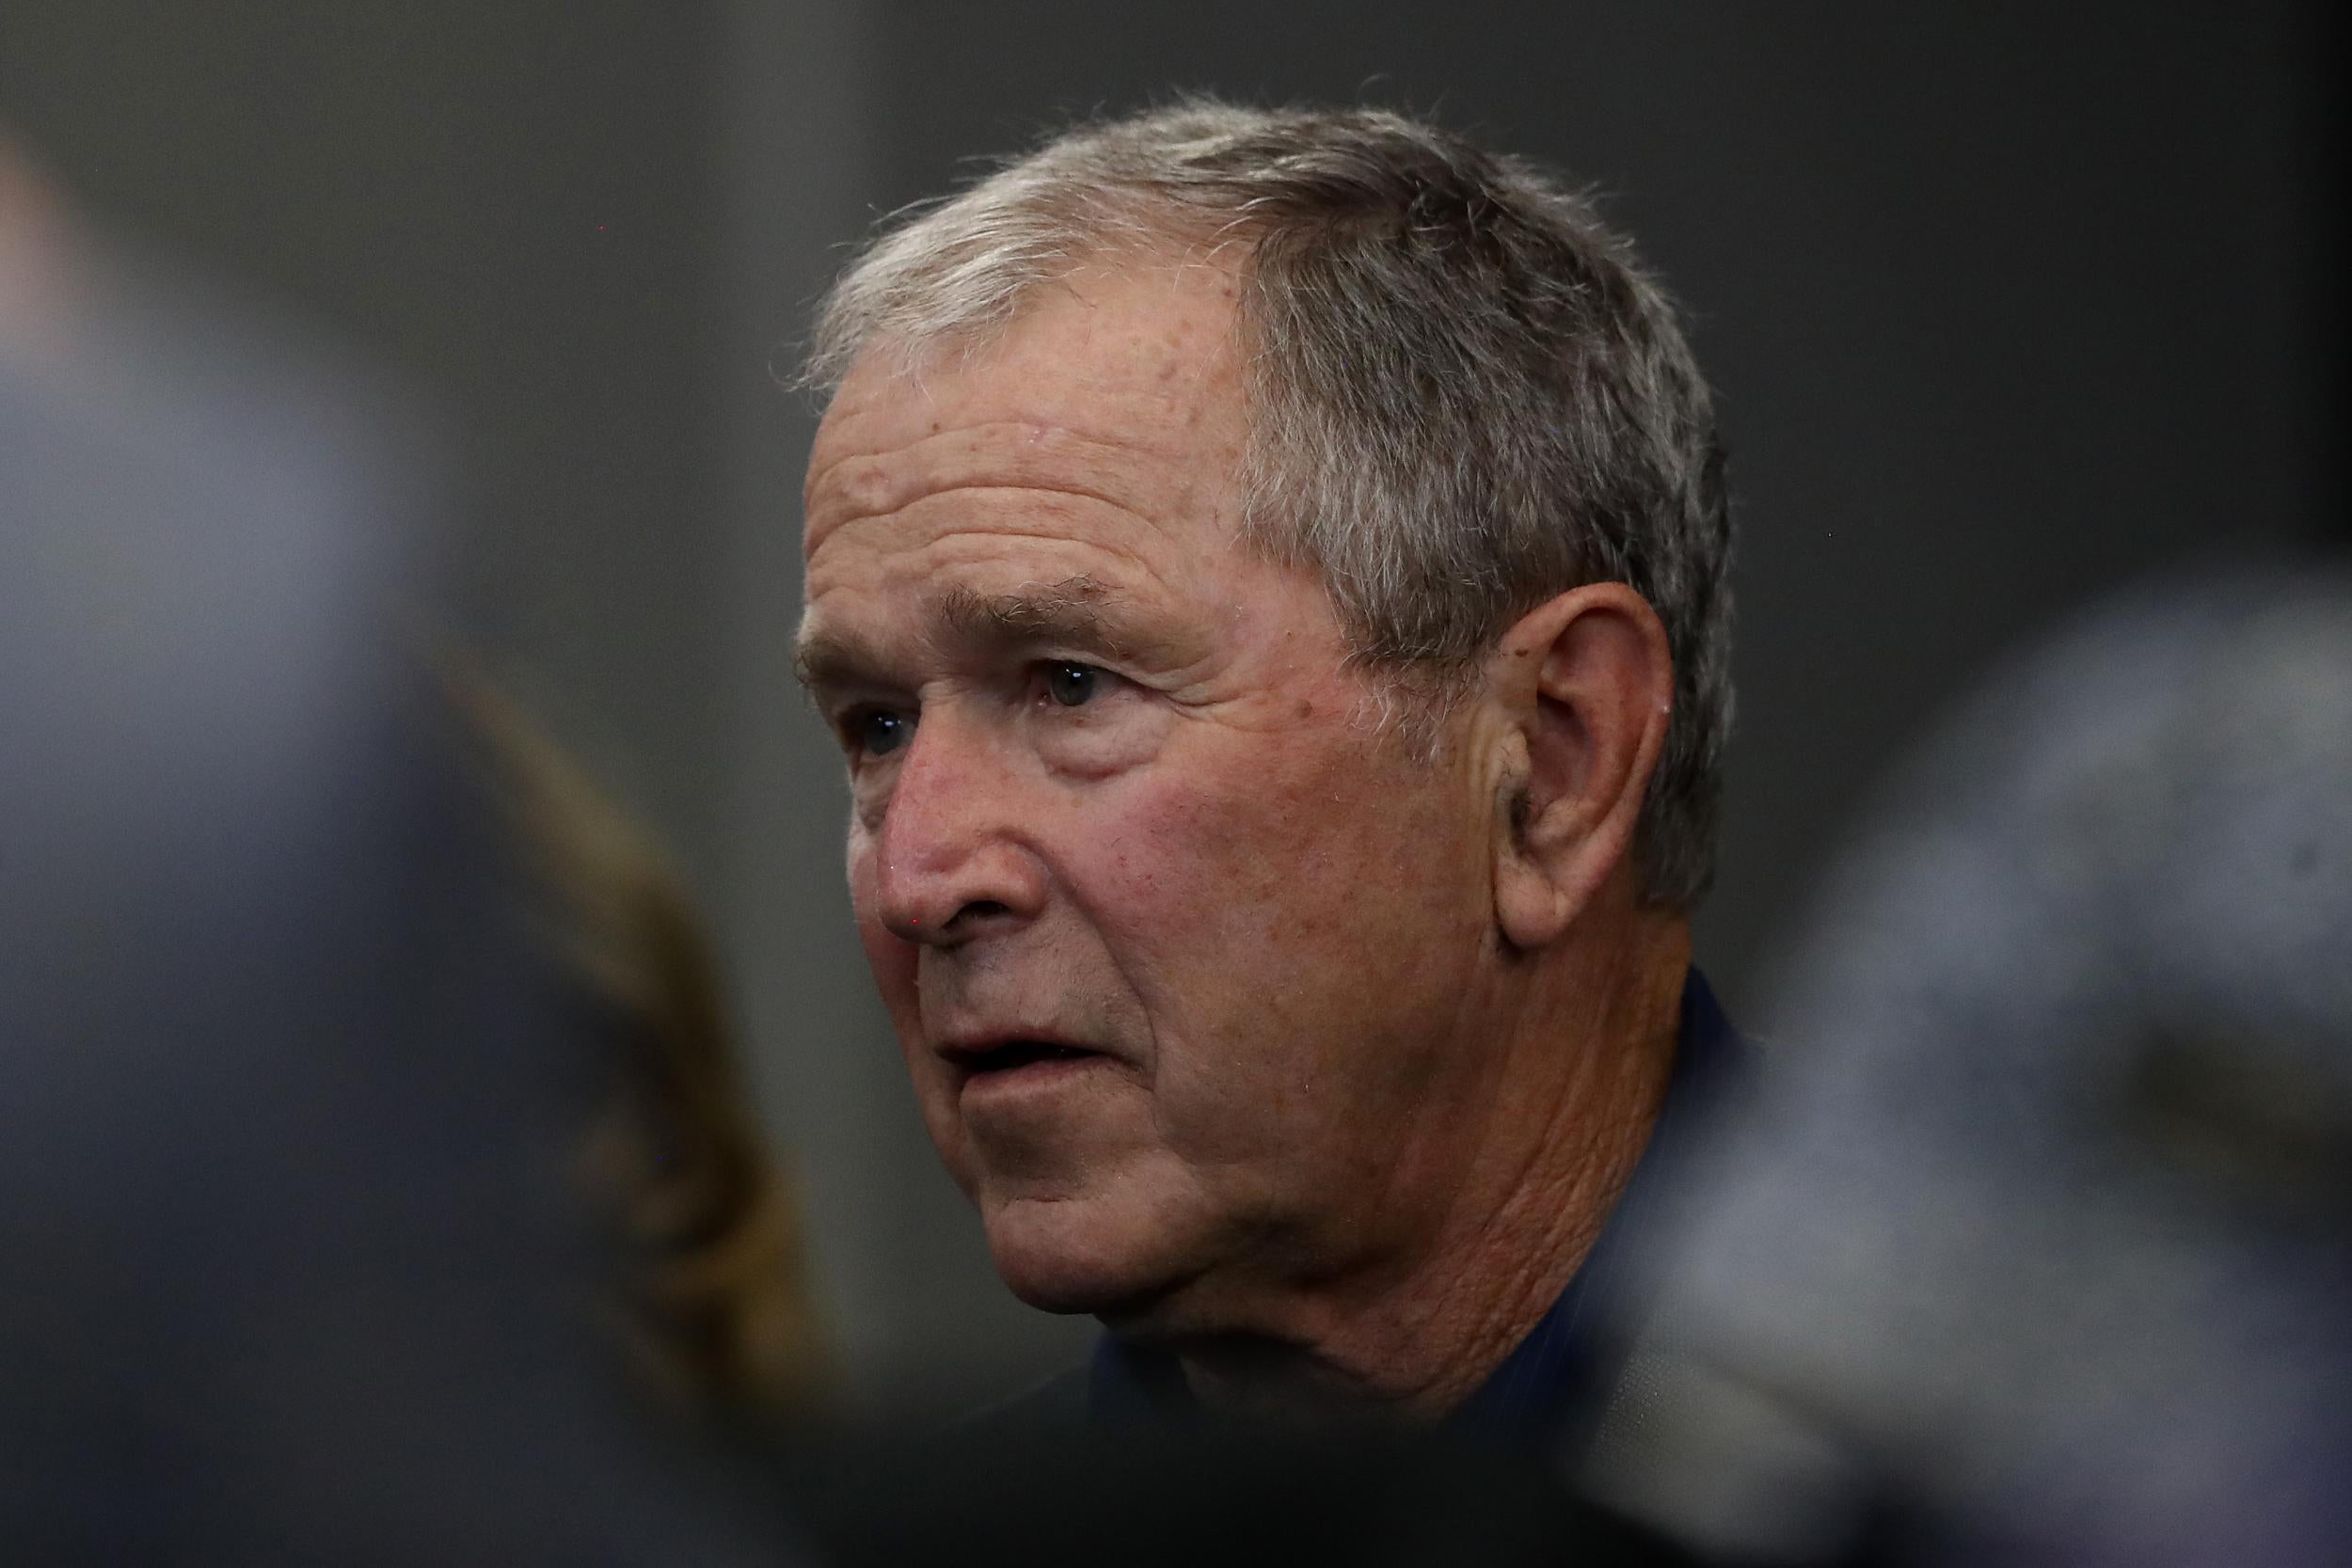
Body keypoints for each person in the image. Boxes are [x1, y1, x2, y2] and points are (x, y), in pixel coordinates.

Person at [791, 98, 1740, 1443]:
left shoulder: (2051, 1482)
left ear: (1552, 762)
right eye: (878, 728)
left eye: (1072, 683)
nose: (919, 874)